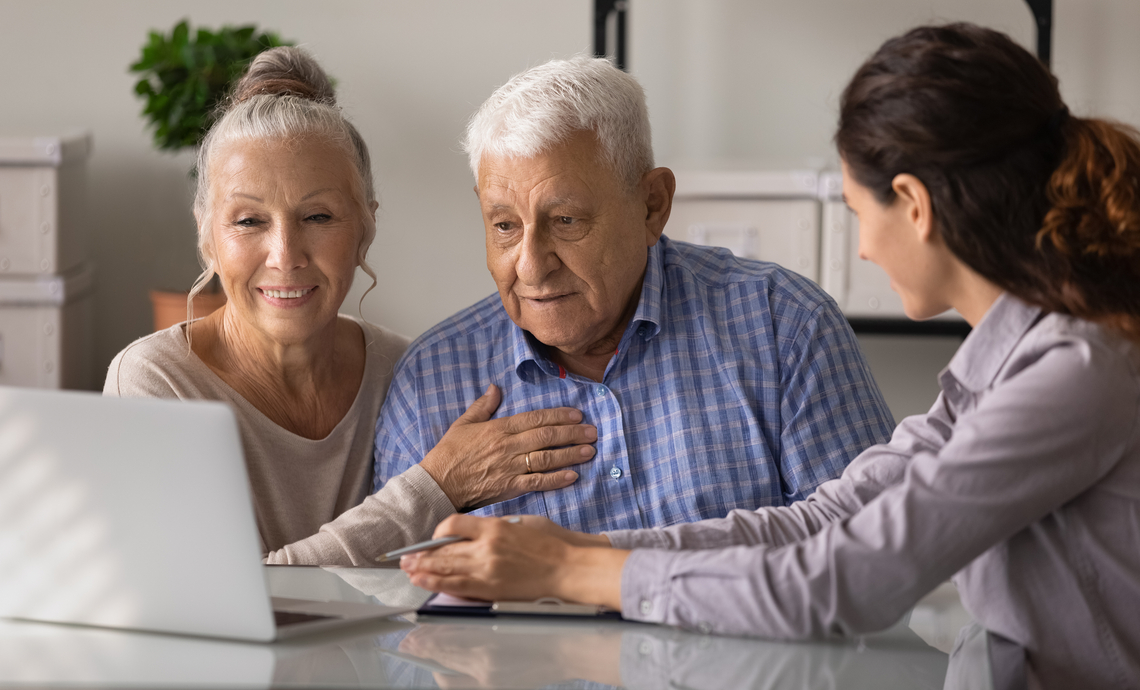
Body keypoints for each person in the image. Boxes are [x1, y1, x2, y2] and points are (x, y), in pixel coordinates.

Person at [401, 24, 1140, 687]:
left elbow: (841, 582)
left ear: (913, 205)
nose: (860, 246)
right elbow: (821, 520)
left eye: (857, 213)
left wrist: (570, 568)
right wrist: (568, 551)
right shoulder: (1001, 366)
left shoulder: (1073, 370)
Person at [104, 47, 597, 564]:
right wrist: (436, 487)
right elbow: (226, 605)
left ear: (365, 228)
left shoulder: (407, 375)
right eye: (249, 221)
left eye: (318, 217)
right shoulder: (153, 384)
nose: (285, 256)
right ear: (207, 236)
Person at [373, 56, 894, 533]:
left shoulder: (785, 326)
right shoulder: (430, 386)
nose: (531, 266)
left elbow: (872, 557)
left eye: (567, 220)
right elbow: (391, 621)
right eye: (505, 225)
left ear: (652, 204)